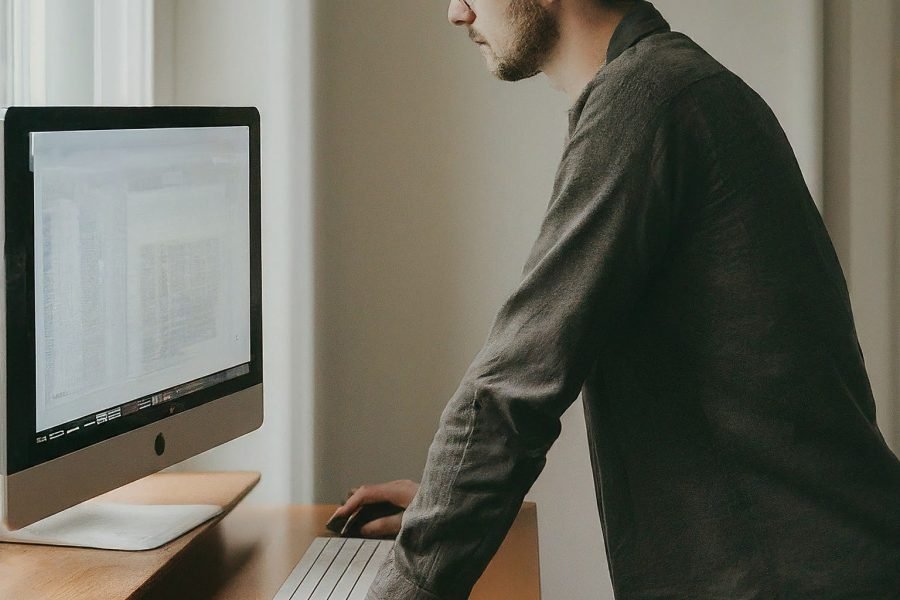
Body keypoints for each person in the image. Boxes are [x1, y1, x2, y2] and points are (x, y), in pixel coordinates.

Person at [330, 1, 900, 598]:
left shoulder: (647, 100)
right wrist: (436, 518)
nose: (456, 10)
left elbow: (510, 392)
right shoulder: (677, 88)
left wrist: (412, 578)